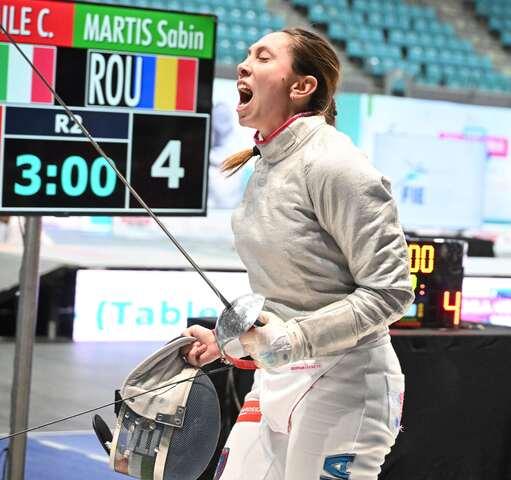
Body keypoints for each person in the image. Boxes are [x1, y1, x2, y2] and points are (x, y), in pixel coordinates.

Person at [182, 28, 414, 480]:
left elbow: (391, 291)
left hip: (346, 381)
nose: (243, 65)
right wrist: (228, 342)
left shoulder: (335, 164)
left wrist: (291, 339)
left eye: (263, 57)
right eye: (247, 55)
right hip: (277, 377)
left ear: (302, 86)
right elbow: (289, 294)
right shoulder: (267, 163)